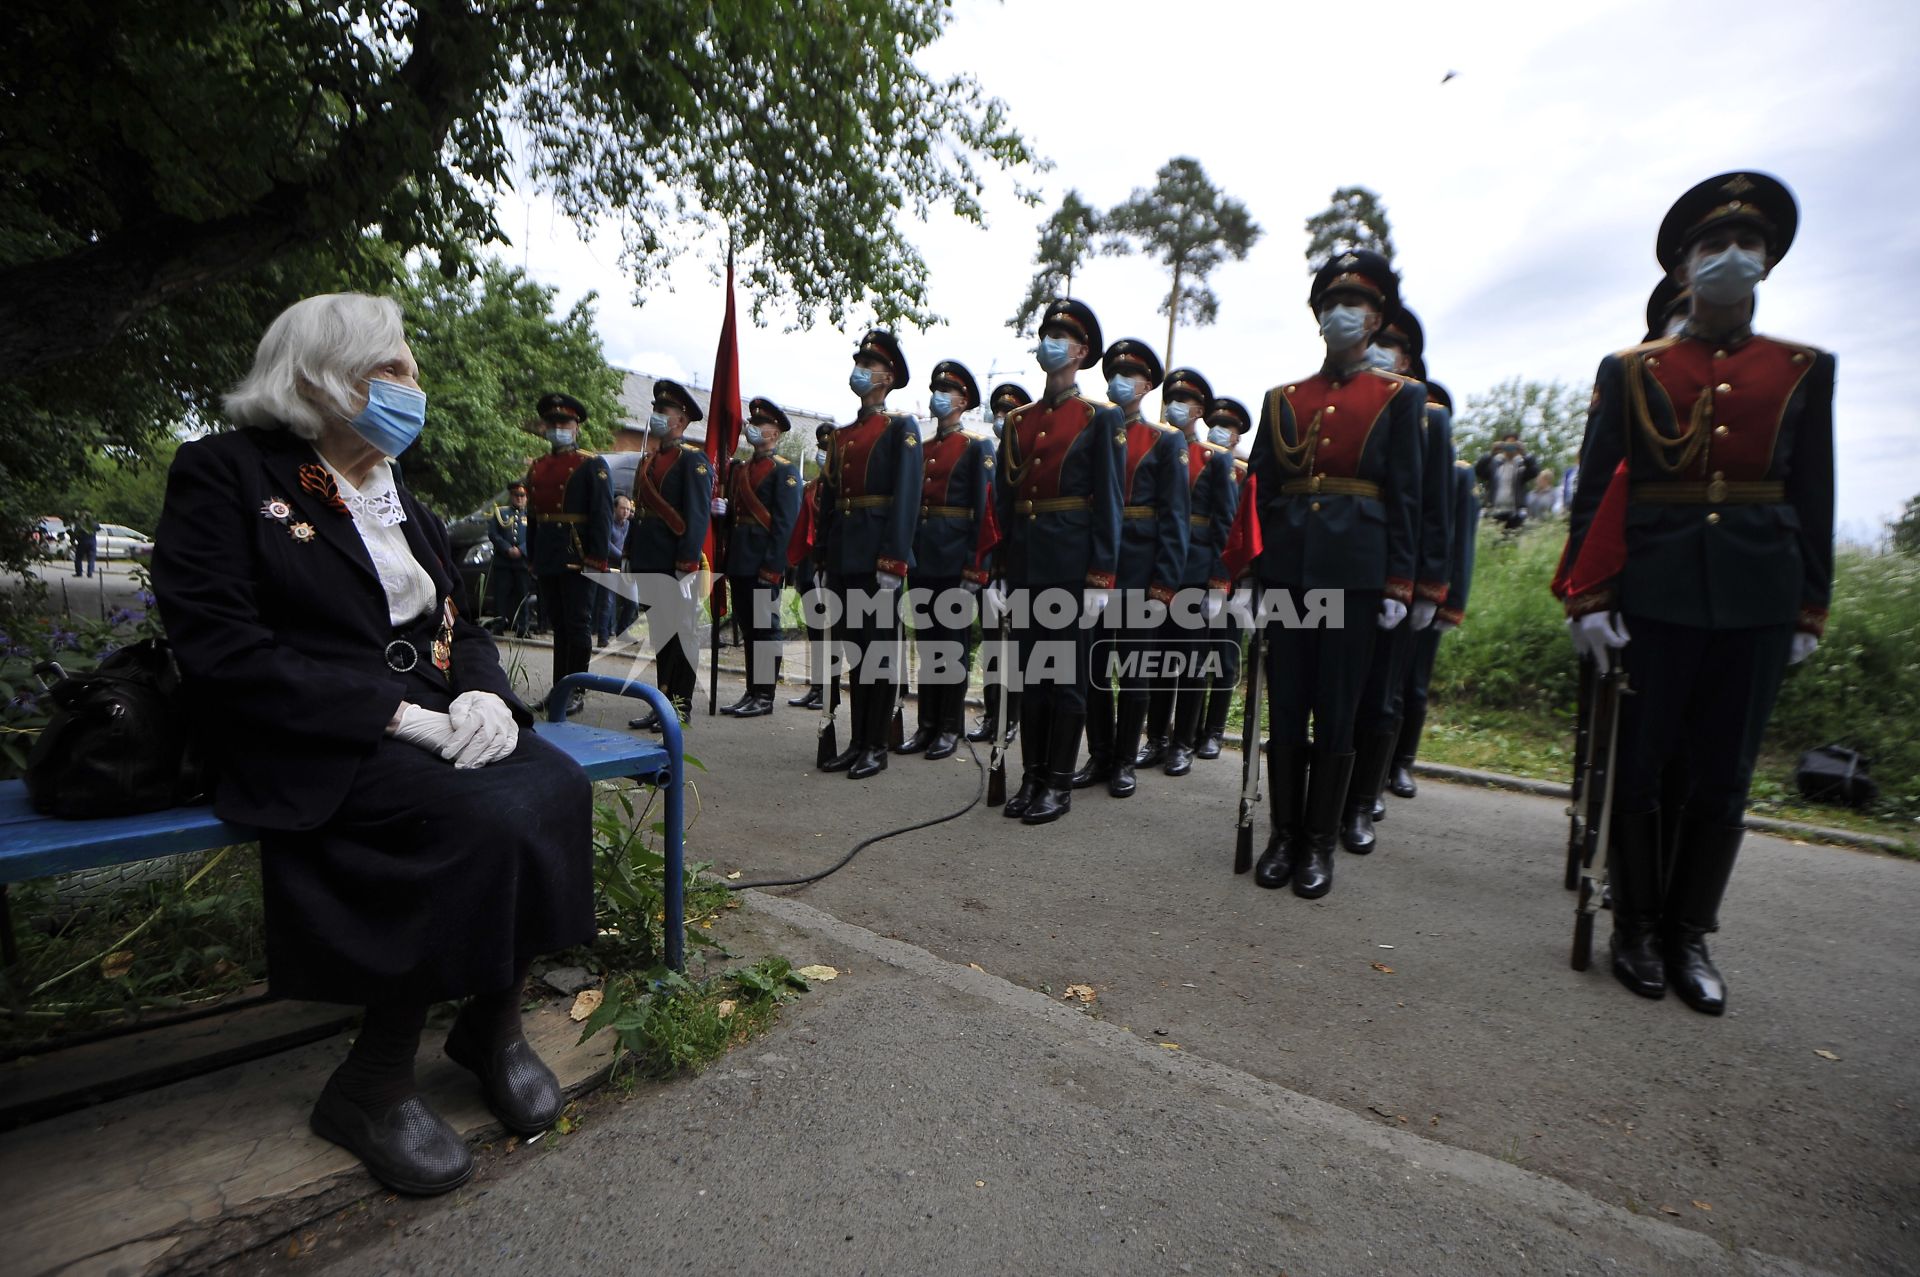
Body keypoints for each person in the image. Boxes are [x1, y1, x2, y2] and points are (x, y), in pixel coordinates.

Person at [149, 292, 592, 1196]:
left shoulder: (405, 504)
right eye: (393, 370)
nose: (412, 388)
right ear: (321, 377)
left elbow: (459, 620)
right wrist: (394, 716)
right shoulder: (229, 474)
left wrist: (487, 694)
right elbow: (224, 649)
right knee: (471, 817)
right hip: (307, 733)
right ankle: (373, 1079)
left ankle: (492, 1024)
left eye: (408, 371)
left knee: (553, 784)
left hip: (426, 721)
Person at [1562, 171, 1831, 1016]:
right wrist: (1589, 595)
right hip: (1658, 586)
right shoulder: (1635, 370)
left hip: (1758, 590)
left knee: (1724, 775)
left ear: (1768, 261)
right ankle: (1635, 926)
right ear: (1684, 269)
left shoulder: (1800, 371)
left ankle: (1691, 931)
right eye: (1713, 247)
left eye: (1746, 246)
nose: (1730, 259)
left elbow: (1813, 490)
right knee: (1642, 768)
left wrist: (1809, 603)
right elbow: (1597, 491)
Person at [1243, 250, 1422, 899]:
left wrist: (1402, 582)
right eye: (1332, 303)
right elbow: (1260, 491)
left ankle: (1320, 843)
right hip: (1290, 571)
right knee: (1288, 706)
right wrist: (1250, 575)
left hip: (1356, 574)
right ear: (1319, 316)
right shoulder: (1284, 398)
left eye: (1357, 303)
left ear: (1375, 318)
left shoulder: (1401, 398)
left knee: (1338, 711)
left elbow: (1406, 495)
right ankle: (1283, 835)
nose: (1343, 314)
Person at [991, 298, 1123, 825]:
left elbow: (1110, 501)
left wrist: (1100, 576)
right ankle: (1031, 776)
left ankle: (1058, 784)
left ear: (1082, 351)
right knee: (1029, 675)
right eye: (1046, 333)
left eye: (1062, 336)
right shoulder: (1019, 421)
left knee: (1064, 677)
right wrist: (998, 567)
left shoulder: (1099, 417)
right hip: (1025, 561)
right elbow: (1002, 501)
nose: (1051, 342)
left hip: (1071, 565)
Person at [1340, 306, 1453, 852]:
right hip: (1349, 567)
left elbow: (1433, 509)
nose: (1379, 348)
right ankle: (1329, 798)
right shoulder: (1351, 403)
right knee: (1337, 692)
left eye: (1392, 343)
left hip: (1397, 577)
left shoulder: (1427, 415)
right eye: (1375, 338)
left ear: (1409, 356)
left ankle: (1361, 801)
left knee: (1382, 694)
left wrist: (1427, 586)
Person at [1073, 339, 1187, 798]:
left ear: (1146, 386)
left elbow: (1176, 518)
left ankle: (1125, 760)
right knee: (1094, 666)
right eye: (1114, 373)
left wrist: (1165, 583)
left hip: (1140, 568)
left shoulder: (1165, 440)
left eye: (1130, 375)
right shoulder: (1095, 429)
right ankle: (1099, 754)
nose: (1119, 382)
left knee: (1135, 669)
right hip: (1097, 566)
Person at [814, 330, 923, 780]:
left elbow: (907, 497)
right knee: (854, 652)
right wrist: (821, 559)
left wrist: (894, 560)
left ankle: (876, 744)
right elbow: (828, 502)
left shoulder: (901, 429)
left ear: (888, 376)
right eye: (858, 361)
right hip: (844, 555)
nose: (859, 369)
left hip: (878, 558)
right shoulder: (842, 437)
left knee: (878, 653)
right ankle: (858, 741)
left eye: (869, 363)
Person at [1138, 368, 1234, 777]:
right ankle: (1157, 738)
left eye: (1185, 401)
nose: (1175, 407)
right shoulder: (1160, 448)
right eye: (1170, 398)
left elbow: (1226, 525)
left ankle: (1183, 743)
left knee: (1193, 661)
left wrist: (1218, 581)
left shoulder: (1215, 457)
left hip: (1196, 572)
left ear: (1199, 410)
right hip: (1161, 570)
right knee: (1159, 659)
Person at [898, 360, 993, 760]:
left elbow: (985, 510)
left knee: (951, 645)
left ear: (963, 400)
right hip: (924, 556)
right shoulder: (925, 447)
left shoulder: (976, 446)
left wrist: (975, 566)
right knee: (928, 641)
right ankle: (927, 724)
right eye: (935, 388)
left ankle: (949, 727)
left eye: (947, 390)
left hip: (955, 558)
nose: (938, 396)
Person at [1387, 382, 1478, 800]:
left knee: (1413, 684)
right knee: (1380, 685)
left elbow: (1460, 542)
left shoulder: (1458, 473)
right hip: (1387, 584)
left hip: (1428, 590)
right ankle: (1375, 764)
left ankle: (1403, 762)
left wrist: (1449, 601)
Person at [625, 379, 713, 729]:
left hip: (676, 562)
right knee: (661, 636)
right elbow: (639, 511)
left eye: (665, 411)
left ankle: (680, 705)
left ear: (681, 419)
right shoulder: (649, 460)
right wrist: (630, 552)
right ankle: (662, 702)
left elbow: (696, 517)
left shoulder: (693, 461)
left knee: (682, 635)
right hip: (649, 560)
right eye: (656, 410)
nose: (657, 416)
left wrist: (687, 563)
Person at [526, 393, 614, 717]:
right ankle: (559, 688)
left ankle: (576, 689)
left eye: (563, 422)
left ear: (576, 427)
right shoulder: (537, 467)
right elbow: (533, 517)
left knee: (578, 624)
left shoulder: (592, 465)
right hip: (549, 552)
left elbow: (603, 514)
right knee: (559, 626)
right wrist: (532, 555)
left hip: (577, 553)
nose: (557, 428)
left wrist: (598, 557)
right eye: (552, 423)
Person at [716, 397, 802, 717]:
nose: (752, 429)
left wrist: (773, 566)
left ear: (775, 433)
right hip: (740, 559)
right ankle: (751, 690)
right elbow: (736, 515)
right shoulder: (740, 470)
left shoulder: (785, 471)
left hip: (764, 562)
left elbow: (784, 524)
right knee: (749, 628)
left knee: (765, 629)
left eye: (760, 425)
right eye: (751, 423)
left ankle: (764, 694)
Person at [968, 382, 1032, 745]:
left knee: (1017, 652)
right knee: (993, 648)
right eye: (999, 414)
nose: (1002, 420)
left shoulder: (1024, 464)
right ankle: (993, 714)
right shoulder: (990, 455)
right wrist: (988, 574)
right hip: (991, 570)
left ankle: (1013, 717)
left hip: (1016, 569)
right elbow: (987, 522)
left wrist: (1007, 573)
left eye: (1010, 414)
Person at [1195, 397, 1252, 760]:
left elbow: (1247, 530)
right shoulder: (1202, 463)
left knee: (1225, 658)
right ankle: (1190, 728)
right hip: (1202, 574)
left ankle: (1214, 731)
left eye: (1227, 428)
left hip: (1235, 576)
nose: (1219, 432)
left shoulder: (1247, 471)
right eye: (1215, 424)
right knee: (1198, 657)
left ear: (1236, 436)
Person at [788, 423, 833, 710]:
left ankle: (828, 689)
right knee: (814, 632)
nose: (822, 455)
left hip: (828, 567)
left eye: (827, 451)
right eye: (820, 449)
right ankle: (816, 686)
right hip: (808, 567)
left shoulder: (839, 490)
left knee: (829, 632)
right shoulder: (811, 487)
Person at [486, 482, 534, 636]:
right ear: (511, 496)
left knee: (522, 596)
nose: (519, 499)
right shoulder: (501, 513)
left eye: (522, 496)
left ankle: (523, 627)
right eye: (516, 495)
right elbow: (493, 534)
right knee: (501, 595)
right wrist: (507, 548)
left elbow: (535, 536)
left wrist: (521, 549)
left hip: (522, 562)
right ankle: (499, 624)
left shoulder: (531, 515)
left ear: (526, 497)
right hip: (504, 561)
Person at [593, 494, 636, 647]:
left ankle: (622, 631)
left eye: (628, 509)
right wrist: (623, 557)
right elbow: (607, 545)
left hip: (626, 569)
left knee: (633, 603)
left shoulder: (631, 525)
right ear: (615, 508)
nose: (625, 512)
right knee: (607, 602)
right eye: (623, 508)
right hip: (610, 567)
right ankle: (602, 636)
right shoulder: (608, 524)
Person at [1476, 432, 1538, 532]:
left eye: (1513, 445)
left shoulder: (1521, 464)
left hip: (1515, 513)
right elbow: (1479, 471)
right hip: (1494, 512)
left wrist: (1525, 453)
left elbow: (1534, 472)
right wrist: (1491, 453)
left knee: (1513, 543)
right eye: (1507, 445)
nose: (1510, 449)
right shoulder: (1495, 463)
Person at [71, 509, 98, 577]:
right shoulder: (93, 523)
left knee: (78, 558)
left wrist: (73, 541)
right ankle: (90, 573)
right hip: (92, 542)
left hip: (82, 542)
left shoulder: (79, 523)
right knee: (91, 558)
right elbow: (98, 528)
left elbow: (75, 533)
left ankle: (79, 573)